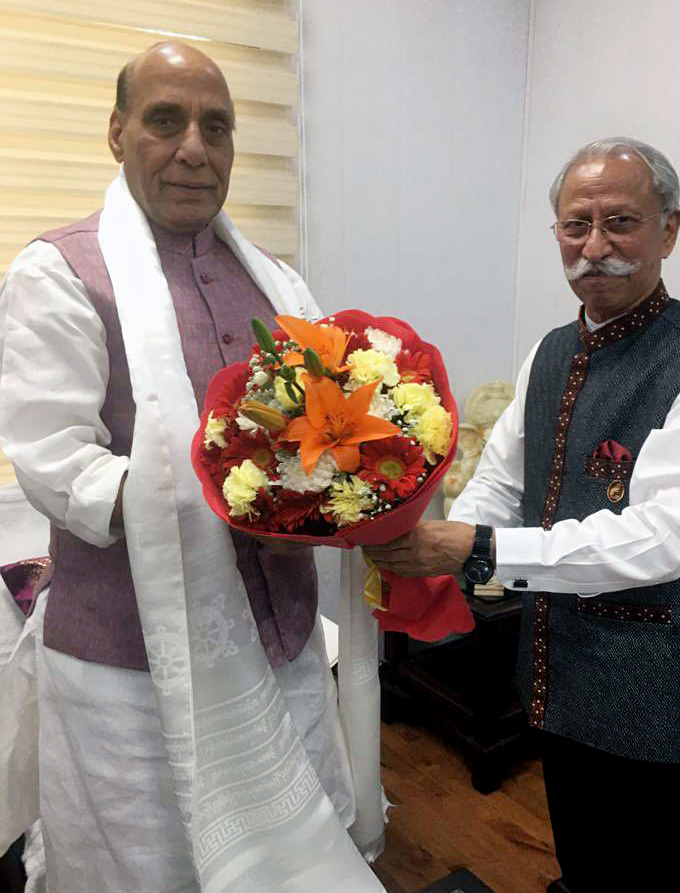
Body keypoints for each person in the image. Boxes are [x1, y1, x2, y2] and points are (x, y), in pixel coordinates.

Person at [0, 42, 384, 893]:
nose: (193, 148)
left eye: (217, 126)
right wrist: (243, 506)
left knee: (294, 861)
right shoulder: (60, 272)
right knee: (148, 870)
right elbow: (57, 464)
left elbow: (329, 429)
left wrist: (335, 494)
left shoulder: (279, 286)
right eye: (165, 120)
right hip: (127, 674)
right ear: (116, 133)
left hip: (283, 650)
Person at [366, 137, 680, 893]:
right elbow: (499, 478)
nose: (595, 246)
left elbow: (659, 543)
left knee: (656, 878)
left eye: (621, 222)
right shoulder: (551, 351)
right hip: (558, 670)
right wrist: (431, 539)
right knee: (583, 860)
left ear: (668, 231)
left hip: (661, 689)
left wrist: (477, 549)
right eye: (575, 225)